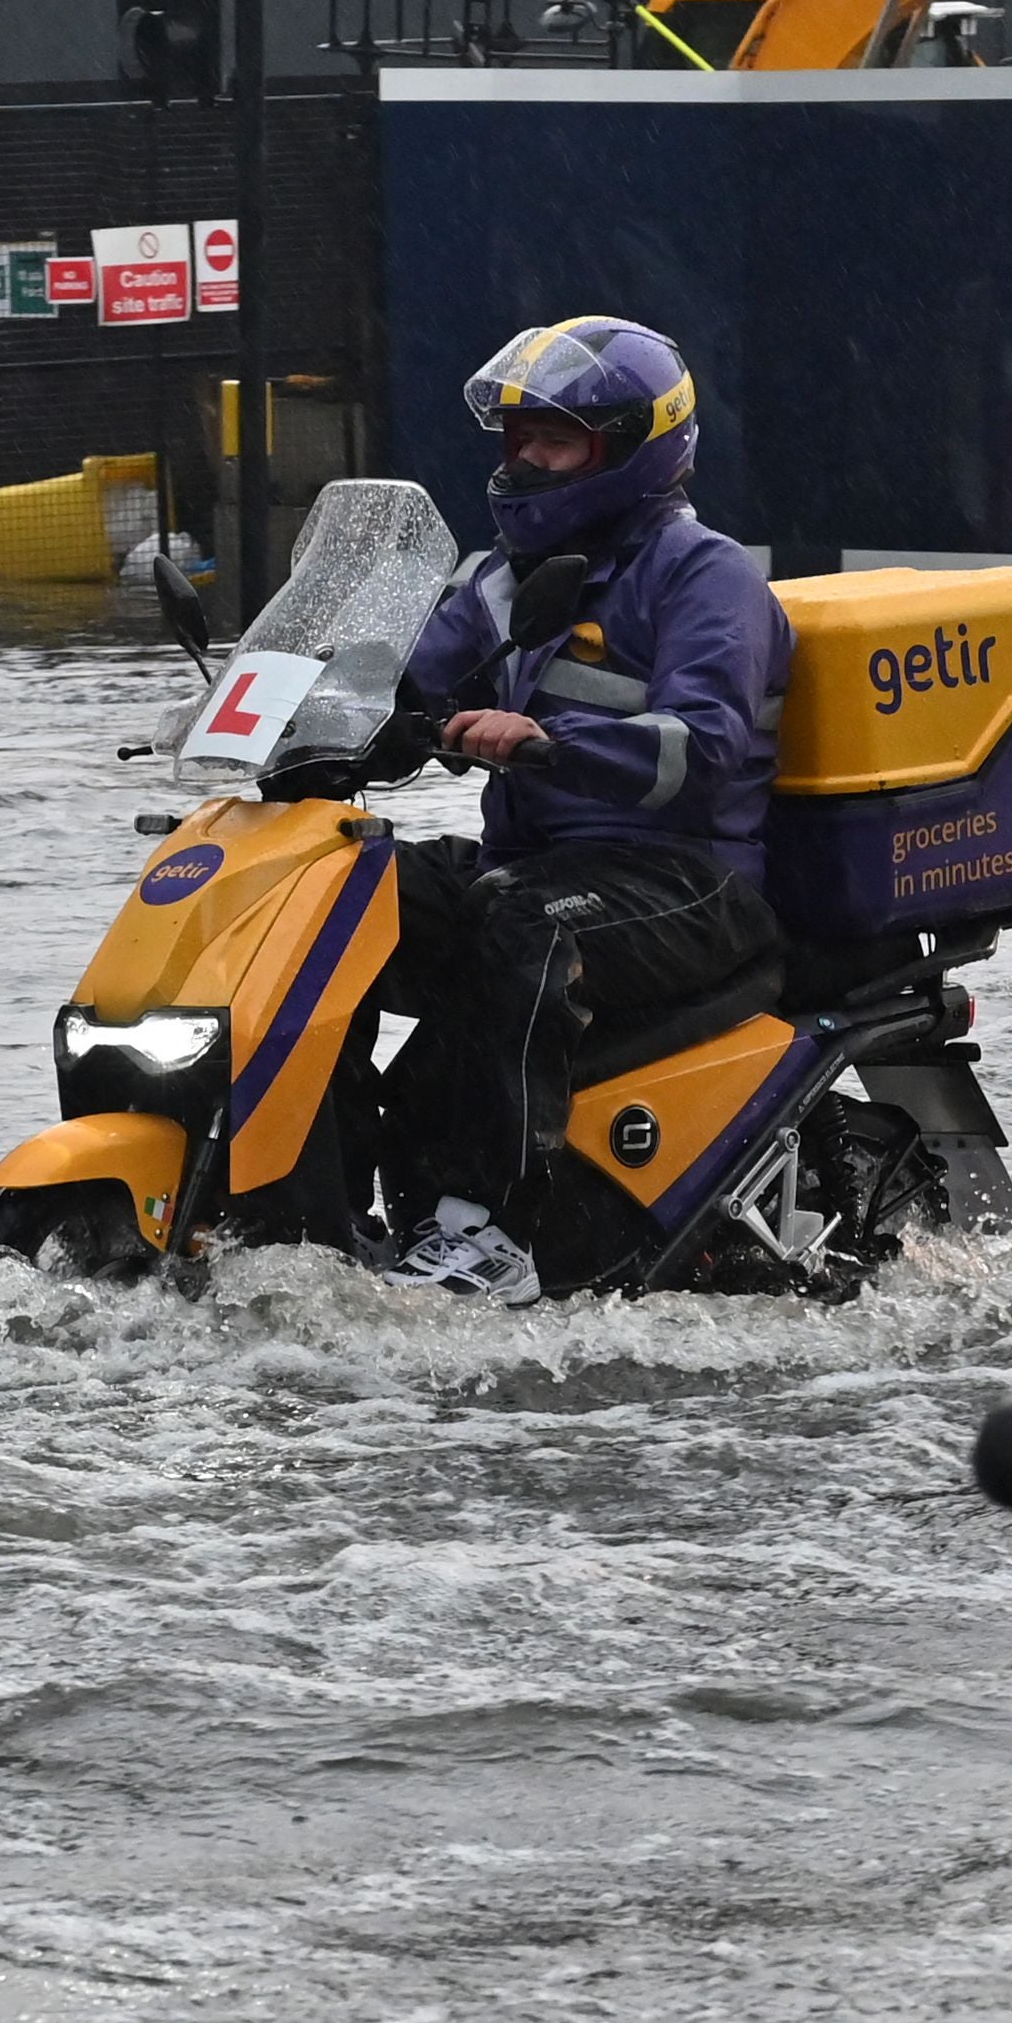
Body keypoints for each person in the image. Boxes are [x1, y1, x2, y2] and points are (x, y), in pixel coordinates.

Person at [376, 316, 788, 1298]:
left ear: (631, 453)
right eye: (516, 440)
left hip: (684, 878)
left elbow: (707, 747)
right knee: (341, 883)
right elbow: (396, 686)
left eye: (553, 442)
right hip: (535, 864)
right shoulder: (493, 581)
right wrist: (300, 713)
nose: (524, 464)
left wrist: (548, 742)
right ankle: (297, 1185)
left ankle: (494, 1234)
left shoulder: (704, 577)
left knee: (518, 921)